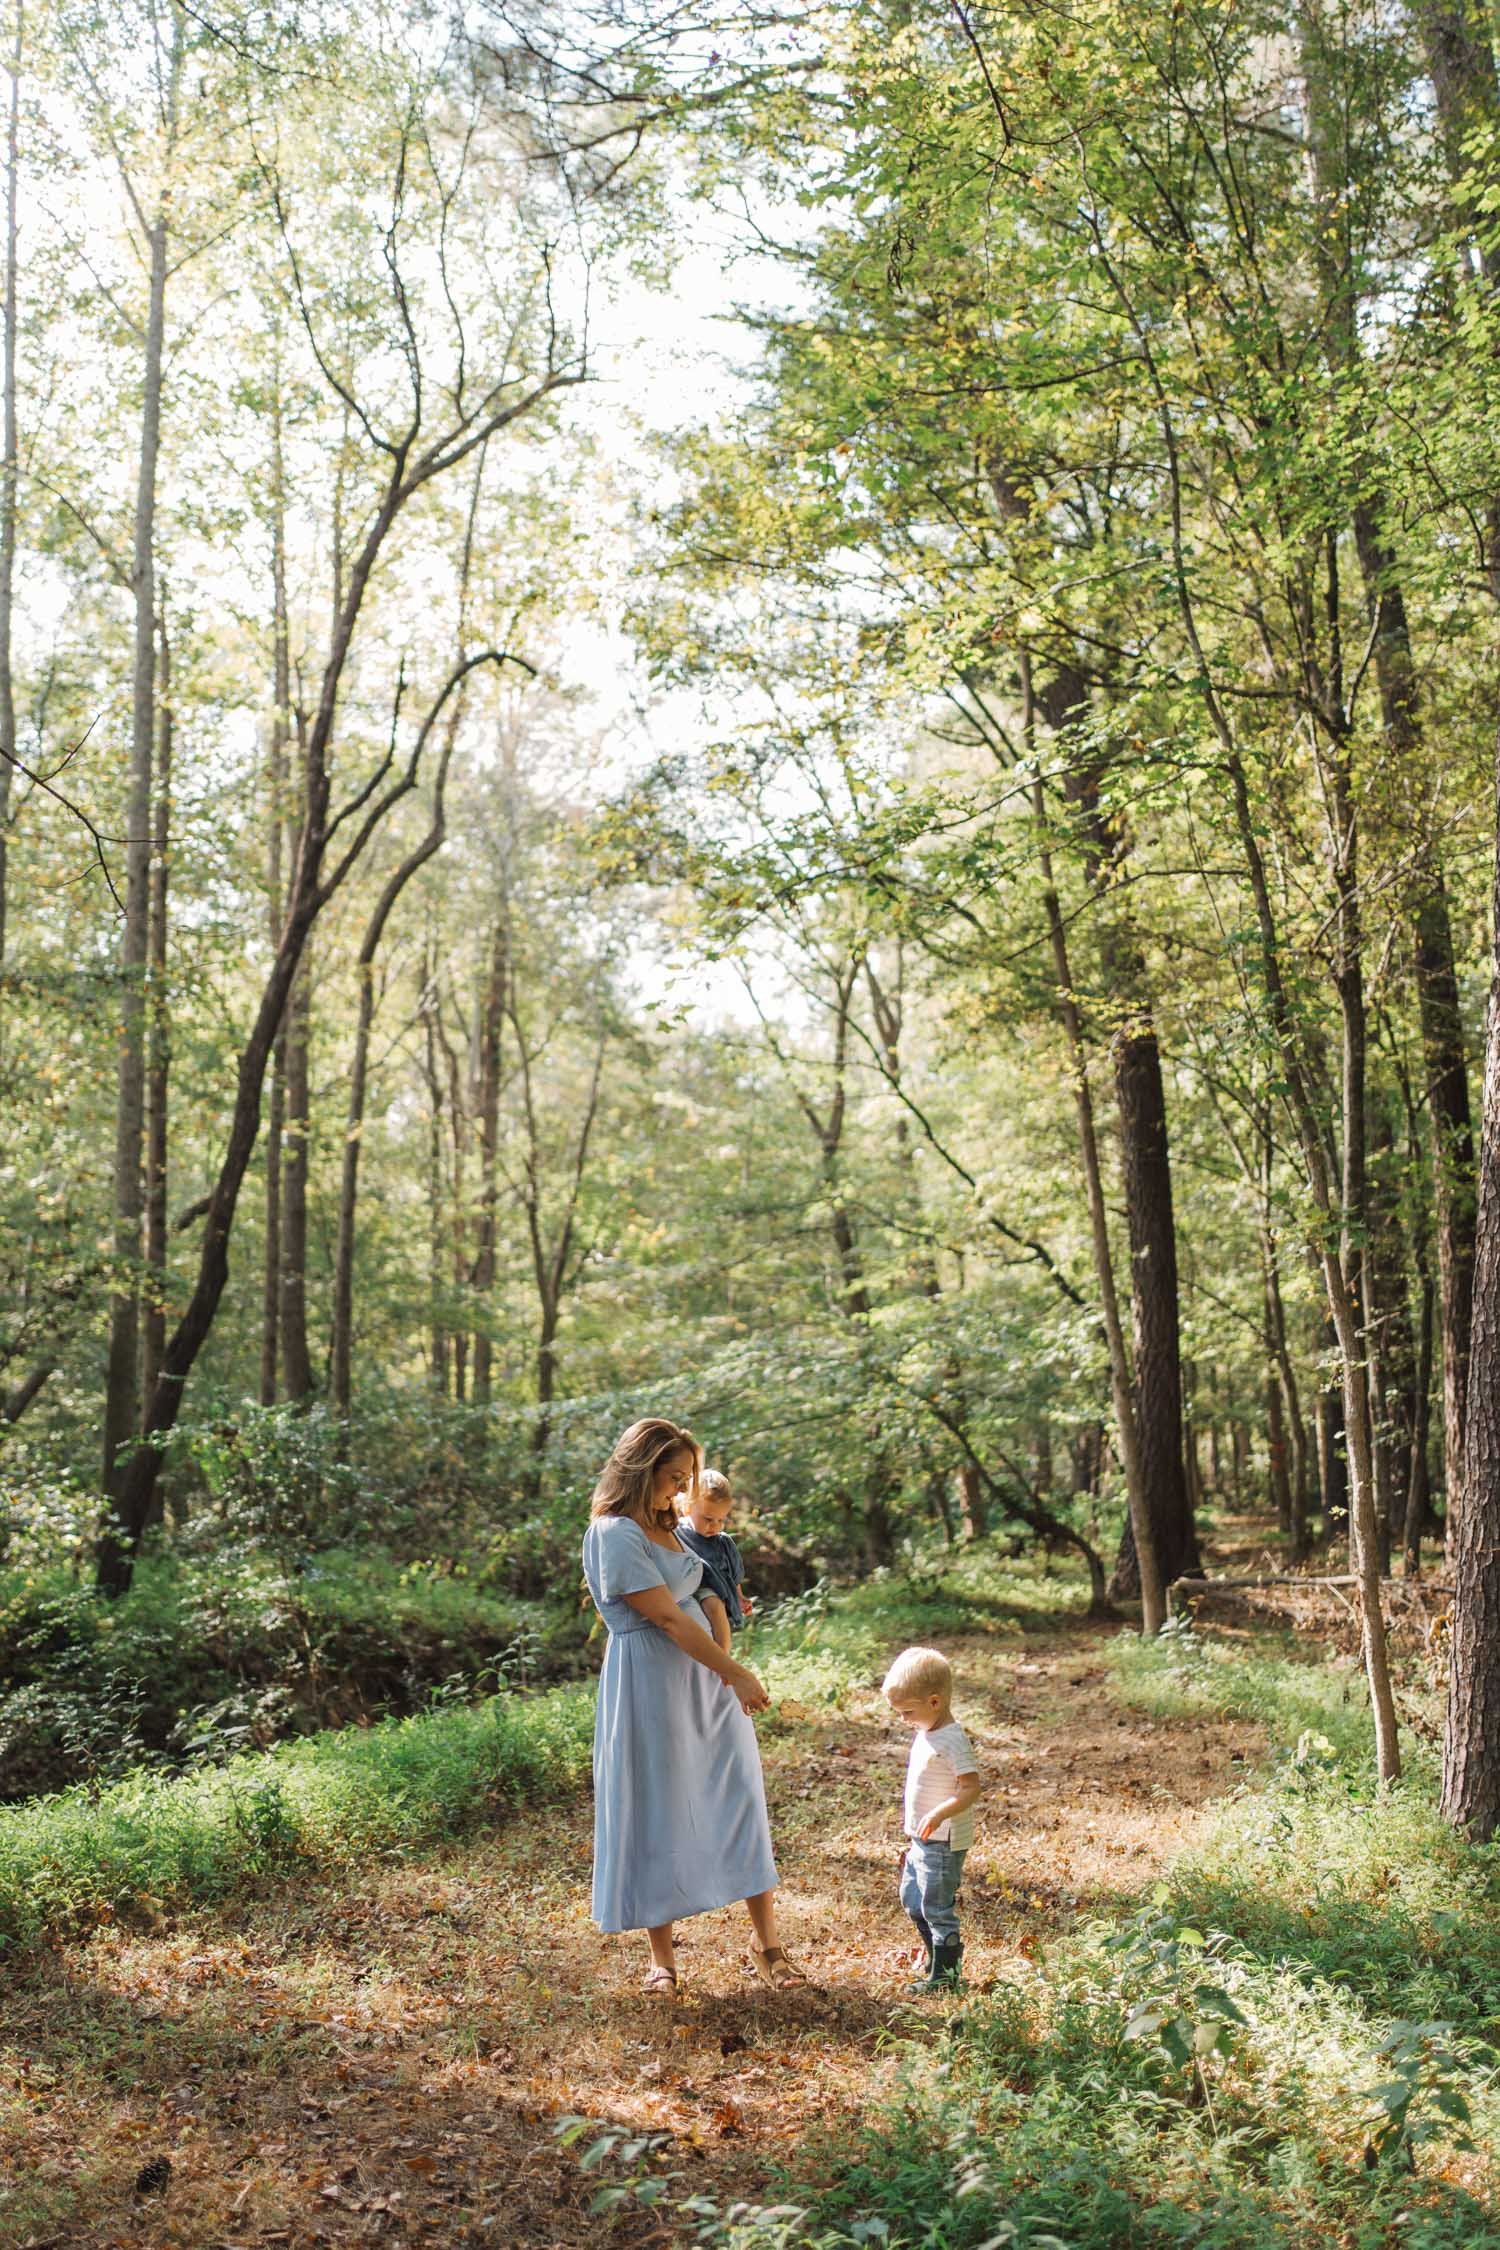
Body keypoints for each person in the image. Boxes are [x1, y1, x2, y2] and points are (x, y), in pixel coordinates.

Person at [582, 1417, 808, 1994]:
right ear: (641, 1469)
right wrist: (736, 1672)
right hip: (652, 1682)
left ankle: (768, 1943)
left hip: (707, 1678)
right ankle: (663, 1961)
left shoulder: (670, 1527)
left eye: (686, 1478)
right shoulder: (614, 1533)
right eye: (673, 1477)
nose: (681, 1491)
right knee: (658, 1808)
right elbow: (661, 1615)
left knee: (738, 1796)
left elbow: (701, 1586)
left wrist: (723, 1611)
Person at [883, 1645, 981, 1990]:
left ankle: (946, 1978)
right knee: (913, 1900)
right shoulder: (928, 1732)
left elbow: (970, 1787)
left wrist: (940, 1814)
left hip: (943, 1840)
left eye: (908, 1711)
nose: (903, 1720)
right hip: (921, 1839)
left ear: (935, 1702)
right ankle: (935, 1959)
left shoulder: (952, 1740)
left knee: (936, 1907)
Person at [674, 1467, 752, 1653]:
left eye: (720, 1520)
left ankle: (724, 1657)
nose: (714, 1526)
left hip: (711, 1588)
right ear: (687, 1508)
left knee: (714, 1605)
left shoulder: (722, 1542)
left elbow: (733, 1575)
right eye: (708, 1519)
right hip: (684, 1587)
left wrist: (740, 1597)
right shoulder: (676, 1533)